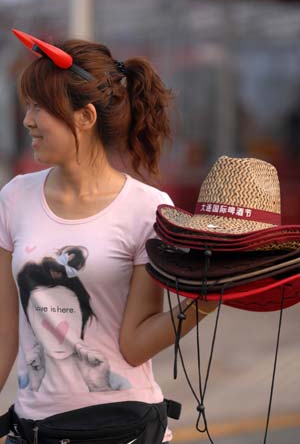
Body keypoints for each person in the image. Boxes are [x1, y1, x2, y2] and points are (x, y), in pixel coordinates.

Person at [0, 29, 218, 444]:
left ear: (85, 117)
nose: (27, 119)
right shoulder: (14, 198)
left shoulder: (147, 208)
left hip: (126, 429)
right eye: (27, 105)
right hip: (33, 430)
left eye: (38, 107)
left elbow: (134, 346)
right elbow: (2, 331)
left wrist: (204, 302)